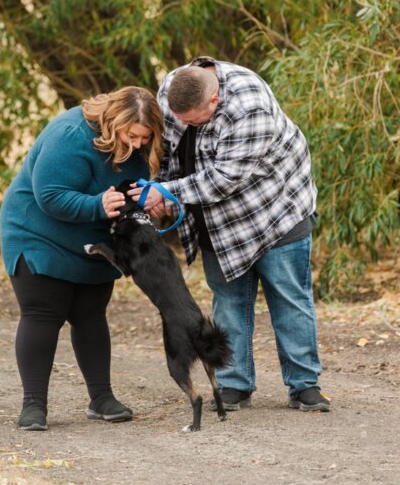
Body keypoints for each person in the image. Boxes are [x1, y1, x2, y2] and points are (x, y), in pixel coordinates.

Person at [131, 56, 329, 414]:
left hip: (275, 207)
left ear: (214, 100)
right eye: (180, 119)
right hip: (216, 219)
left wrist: (171, 192)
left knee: (289, 297)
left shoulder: (249, 103)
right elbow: (167, 154)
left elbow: (225, 179)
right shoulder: (173, 91)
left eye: (194, 121)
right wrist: (159, 192)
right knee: (229, 300)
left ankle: (304, 386)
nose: (185, 126)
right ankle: (234, 384)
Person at [0, 86, 164, 431]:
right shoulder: (71, 133)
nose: (137, 144)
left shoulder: (141, 145)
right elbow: (50, 195)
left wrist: (153, 201)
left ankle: (101, 398)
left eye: (144, 137)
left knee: (90, 314)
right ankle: (34, 405)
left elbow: (139, 189)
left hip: (94, 238)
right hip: (37, 231)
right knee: (44, 312)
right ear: (114, 121)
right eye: (131, 135)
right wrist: (96, 206)